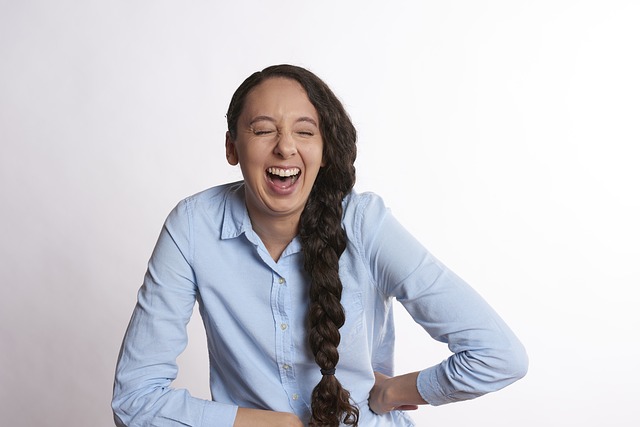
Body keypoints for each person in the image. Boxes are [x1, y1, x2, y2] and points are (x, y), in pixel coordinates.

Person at [112, 64, 528, 427]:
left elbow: (498, 355)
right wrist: (268, 424)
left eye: (304, 131)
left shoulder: (365, 224)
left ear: (324, 149)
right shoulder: (193, 227)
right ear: (231, 147)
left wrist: (393, 392)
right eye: (262, 130)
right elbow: (135, 400)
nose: (285, 146)